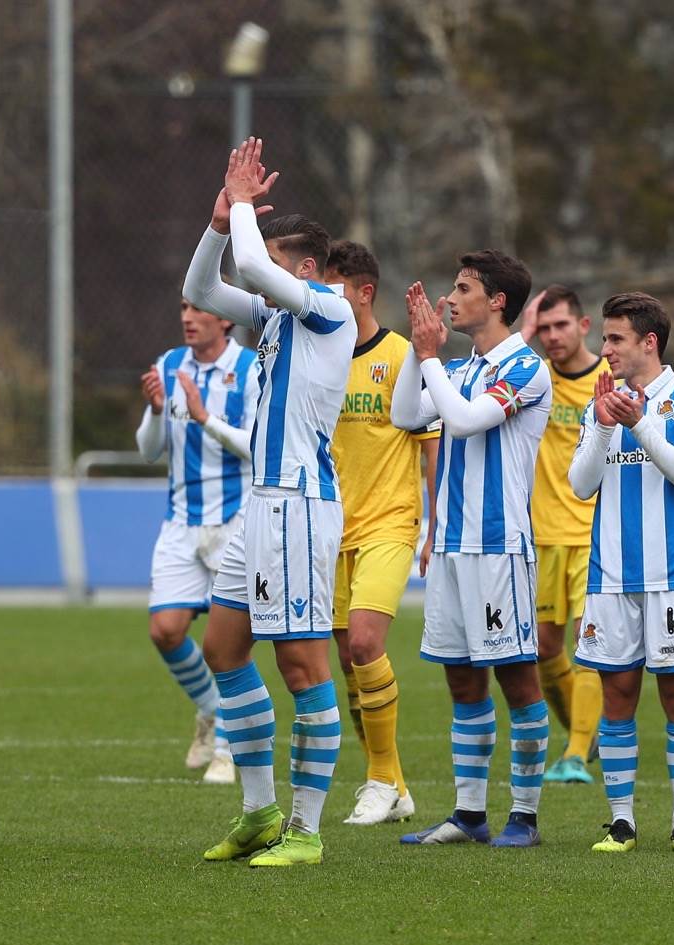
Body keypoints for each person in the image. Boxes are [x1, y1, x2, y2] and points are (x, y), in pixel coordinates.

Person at [183, 138, 356, 867]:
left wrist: (247, 204)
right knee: (222, 648)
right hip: (261, 507)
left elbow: (253, 269)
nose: (266, 277)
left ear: (308, 270)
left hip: (299, 506)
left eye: (283, 264)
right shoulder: (281, 317)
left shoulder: (327, 308)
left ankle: (308, 830)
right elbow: (203, 290)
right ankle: (259, 811)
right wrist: (222, 219)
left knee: (303, 667)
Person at [392, 250, 554, 848]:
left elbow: (461, 423)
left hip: (499, 546)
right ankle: (469, 814)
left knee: (517, 681)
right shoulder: (458, 370)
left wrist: (430, 355)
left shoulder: (525, 368)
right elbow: (406, 413)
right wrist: (419, 351)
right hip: (453, 547)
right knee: (462, 681)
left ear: (498, 301)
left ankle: (527, 817)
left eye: (463, 288)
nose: (450, 298)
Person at [568, 293, 674, 854]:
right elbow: (581, 485)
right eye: (605, 339)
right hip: (610, 578)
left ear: (648, 342)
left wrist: (640, 427)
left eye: (614, 339)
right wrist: (606, 428)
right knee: (618, 697)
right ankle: (622, 820)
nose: (604, 350)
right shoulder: (600, 403)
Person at [321, 240, 438, 824]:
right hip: (331, 527)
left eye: (334, 286)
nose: (323, 297)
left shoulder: (399, 356)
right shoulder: (322, 354)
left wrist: (434, 521)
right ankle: (394, 783)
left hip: (391, 523)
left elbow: (431, 441)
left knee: (366, 643)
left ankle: (376, 782)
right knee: (348, 661)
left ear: (364, 292)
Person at [134, 299, 259, 786]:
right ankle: (211, 711)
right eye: (182, 307)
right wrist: (155, 411)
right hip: (181, 520)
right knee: (165, 630)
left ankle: (227, 750)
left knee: (226, 643)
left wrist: (206, 417)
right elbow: (149, 451)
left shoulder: (250, 368)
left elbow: (256, 444)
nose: (187, 316)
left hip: (237, 518)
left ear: (225, 318)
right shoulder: (168, 365)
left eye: (198, 308)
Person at [516, 285, 608, 785]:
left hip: (593, 534)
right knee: (544, 648)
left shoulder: (609, 379)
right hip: (541, 535)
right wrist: (521, 336)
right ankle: (585, 732)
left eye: (560, 326)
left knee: (587, 641)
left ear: (584, 326)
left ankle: (574, 753)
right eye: (543, 329)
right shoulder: (534, 379)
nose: (551, 337)